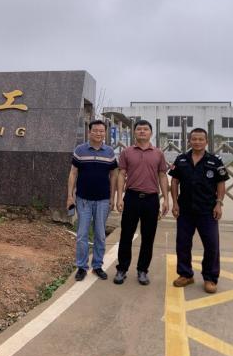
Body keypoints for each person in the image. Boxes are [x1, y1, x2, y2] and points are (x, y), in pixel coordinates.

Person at [168, 127, 228, 293]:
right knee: (183, 243)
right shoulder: (181, 159)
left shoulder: (215, 161)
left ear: (206, 141)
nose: (197, 142)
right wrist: (175, 203)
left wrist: (219, 203)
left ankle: (210, 278)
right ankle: (185, 274)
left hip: (207, 210)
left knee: (211, 245)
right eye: (194, 139)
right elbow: (174, 182)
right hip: (185, 210)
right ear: (189, 141)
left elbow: (221, 183)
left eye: (201, 139)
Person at [113, 121, 169, 285]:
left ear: (151, 133)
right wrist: (119, 197)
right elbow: (121, 174)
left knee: (148, 237)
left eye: (145, 129)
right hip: (131, 197)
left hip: (151, 199)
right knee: (126, 235)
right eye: (139, 129)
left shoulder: (158, 153)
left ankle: (142, 270)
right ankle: (122, 269)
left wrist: (166, 199)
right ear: (134, 132)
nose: (142, 131)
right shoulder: (127, 152)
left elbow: (162, 176)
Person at [67, 119, 118, 281]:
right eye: (95, 130)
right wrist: (70, 195)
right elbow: (73, 173)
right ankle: (82, 267)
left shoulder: (109, 152)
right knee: (82, 235)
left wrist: (113, 197)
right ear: (89, 132)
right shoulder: (80, 150)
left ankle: (97, 266)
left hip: (103, 200)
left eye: (101, 131)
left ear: (105, 133)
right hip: (83, 200)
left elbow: (114, 175)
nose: (98, 133)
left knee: (100, 235)